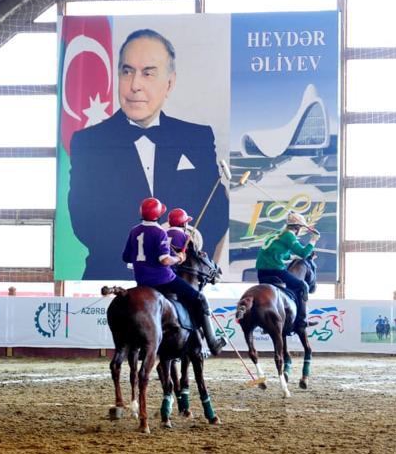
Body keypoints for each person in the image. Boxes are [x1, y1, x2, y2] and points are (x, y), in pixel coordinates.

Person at [69, 29, 229, 280]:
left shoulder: (197, 136)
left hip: (183, 271)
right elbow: (84, 221)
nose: (135, 85)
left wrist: (184, 245)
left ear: (169, 82)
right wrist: (150, 243)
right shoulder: (88, 142)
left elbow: (217, 209)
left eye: (148, 73)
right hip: (113, 275)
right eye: (127, 71)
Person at [122, 197, 225, 355]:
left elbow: (126, 257)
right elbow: (165, 261)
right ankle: (212, 342)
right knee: (199, 298)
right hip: (163, 279)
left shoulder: (134, 230)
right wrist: (179, 258)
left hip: (141, 281)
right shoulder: (161, 233)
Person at [255, 212, 318, 331]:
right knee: (302, 286)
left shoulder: (278, 234)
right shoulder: (289, 235)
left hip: (261, 272)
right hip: (275, 271)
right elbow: (304, 253)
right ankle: (301, 320)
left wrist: (292, 257)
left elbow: (278, 253)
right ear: (298, 227)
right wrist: (313, 240)